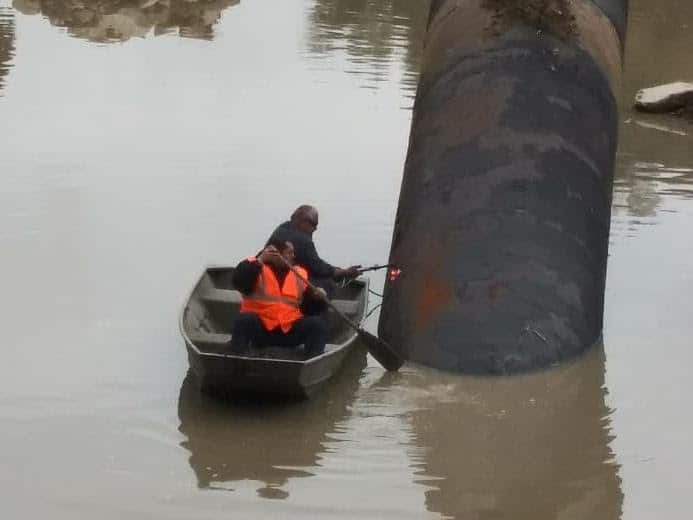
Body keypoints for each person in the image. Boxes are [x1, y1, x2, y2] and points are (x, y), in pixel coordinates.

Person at [229, 239, 329, 358]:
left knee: (317, 324)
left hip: (289, 330)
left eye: (293, 253)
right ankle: (238, 359)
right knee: (243, 320)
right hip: (262, 330)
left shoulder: (298, 273)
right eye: (289, 252)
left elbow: (310, 309)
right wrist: (261, 259)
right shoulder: (253, 266)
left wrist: (318, 298)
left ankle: (311, 364)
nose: (293, 256)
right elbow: (239, 281)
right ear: (275, 254)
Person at [267, 205, 361, 287]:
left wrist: (339, 271)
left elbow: (313, 264)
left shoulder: (282, 228)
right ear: (301, 221)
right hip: (283, 281)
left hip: (271, 276)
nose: (315, 228)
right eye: (313, 224)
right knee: (327, 283)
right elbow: (318, 268)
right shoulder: (303, 240)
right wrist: (344, 272)